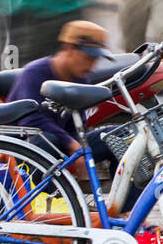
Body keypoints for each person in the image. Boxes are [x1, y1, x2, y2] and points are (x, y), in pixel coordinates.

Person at [6, 20, 116, 164]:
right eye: (88, 58)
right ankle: (47, 187)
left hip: (61, 144)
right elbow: (31, 121)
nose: (92, 66)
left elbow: (77, 126)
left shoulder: (80, 78)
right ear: (69, 48)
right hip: (25, 146)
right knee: (47, 141)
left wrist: (80, 148)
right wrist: (72, 145)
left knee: (117, 136)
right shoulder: (34, 72)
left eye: (95, 60)